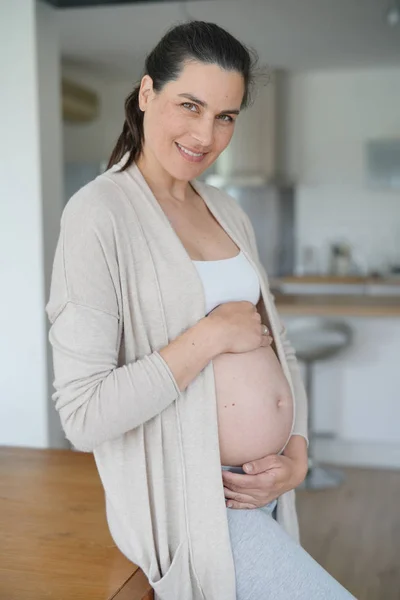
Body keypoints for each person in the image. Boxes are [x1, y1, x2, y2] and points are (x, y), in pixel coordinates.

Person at [46, 20, 356, 600]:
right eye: (190, 105)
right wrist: (208, 336)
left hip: (263, 489)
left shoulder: (226, 209)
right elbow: (83, 415)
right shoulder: (99, 215)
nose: (205, 134)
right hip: (194, 503)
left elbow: (277, 345)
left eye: (226, 116)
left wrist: (298, 453)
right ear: (146, 94)